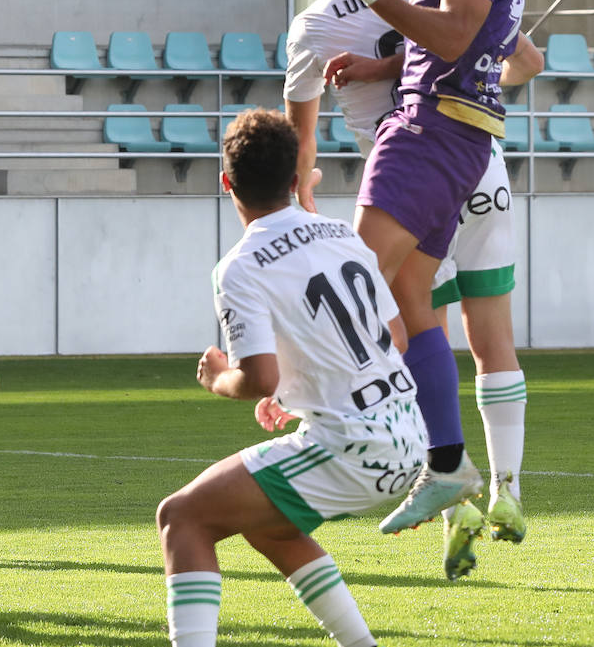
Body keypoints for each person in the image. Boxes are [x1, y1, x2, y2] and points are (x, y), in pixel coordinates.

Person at [283, 0, 540, 580]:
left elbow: (301, 149)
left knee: (389, 309)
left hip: (414, 172)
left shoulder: (314, 23)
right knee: (488, 338)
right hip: (482, 165)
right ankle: (503, 491)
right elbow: (523, 61)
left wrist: (303, 197)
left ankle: (415, 465)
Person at [328, 0, 526, 534]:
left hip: (431, 133)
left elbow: (452, 37)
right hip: (458, 134)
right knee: (413, 297)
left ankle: (327, 436)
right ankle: (447, 464)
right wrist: (380, 68)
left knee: (351, 277)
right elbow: (466, 46)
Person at [157, 108, 425, 647]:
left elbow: (255, 378)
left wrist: (218, 378)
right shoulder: (342, 236)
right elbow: (395, 336)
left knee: (182, 516)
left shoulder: (240, 265)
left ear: (226, 182)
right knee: (269, 524)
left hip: (354, 444)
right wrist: (295, 392)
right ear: (296, 179)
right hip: (410, 434)